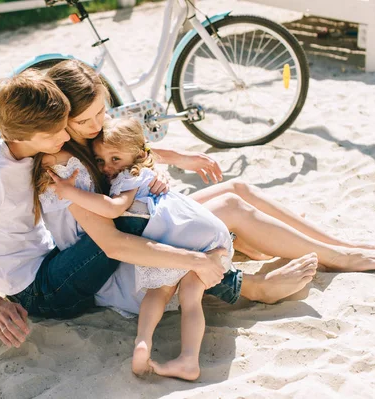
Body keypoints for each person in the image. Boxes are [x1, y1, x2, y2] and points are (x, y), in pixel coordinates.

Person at [0, 68, 245, 352]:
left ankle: (224, 258)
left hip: (56, 255)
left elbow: (103, 145)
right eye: (55, 133)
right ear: (23, 135)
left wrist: (153, 166)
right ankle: (227, 274)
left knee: (142, 211)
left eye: (65, 125)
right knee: (128, 219)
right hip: (39, 291)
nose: (65, 136)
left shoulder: (37, 145)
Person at [45, 59, 375, 273]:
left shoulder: (88, 133)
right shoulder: (61, 152)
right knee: (232, 205)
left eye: (102, 113)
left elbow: (125, 146)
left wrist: (173, 160)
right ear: (63, 116)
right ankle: (336, 256)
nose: (97, 124)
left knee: (238, 187)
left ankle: (341, 243)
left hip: (147, 211)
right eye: (87, 119)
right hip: (134, 231)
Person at [47, 117, 241, 380]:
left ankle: (144, 340)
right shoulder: (136, 168)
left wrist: (69, 192)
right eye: (100, 160)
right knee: (189, 298)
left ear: (138, 154)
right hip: (189, 231)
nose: (106, 167)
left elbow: (113, 207)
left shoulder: (131, 174)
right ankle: (188, 359)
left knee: (160, 291)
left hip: (182, 231)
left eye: (115, 159)